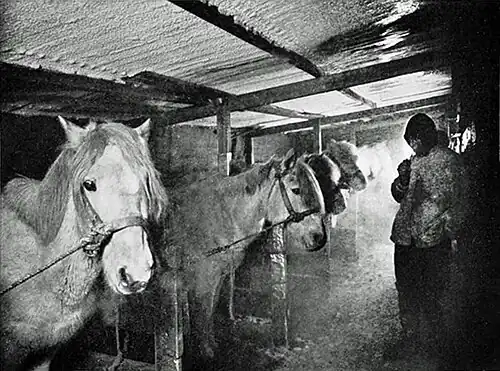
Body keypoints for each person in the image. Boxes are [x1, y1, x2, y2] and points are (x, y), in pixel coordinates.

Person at [388, 113, 469, 358]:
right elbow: (398, 195)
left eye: (413, 140)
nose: (411, 146)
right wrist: (401, 180)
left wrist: (450, 231)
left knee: (432, 291)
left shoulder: (450, 162)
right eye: (409, 141)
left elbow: (461, 201)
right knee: (406, 289)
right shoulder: (413, 162)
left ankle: (437, 341)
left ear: (425, 137)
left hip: (432, 242)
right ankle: (410, 337)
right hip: (405, 239)